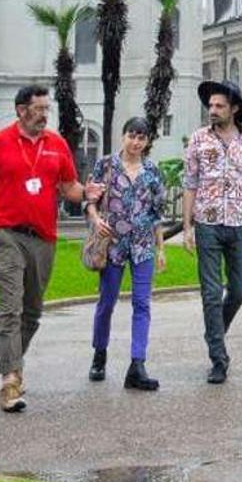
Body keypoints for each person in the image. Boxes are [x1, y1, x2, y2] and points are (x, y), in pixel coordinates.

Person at [0, 84, 100, 413]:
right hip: (6, 235)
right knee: (11, 307)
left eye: (47, 109)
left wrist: (87, 192)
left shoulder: (56, 144)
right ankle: (9, 381)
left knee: (32, 313)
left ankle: (13, 364)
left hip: (44, 238)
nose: (44, 115)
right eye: (39, 109)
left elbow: (68, 186)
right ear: (21, 110)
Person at [180, 80, 242, 384]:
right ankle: (218, 358)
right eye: (211, 105)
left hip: (238, 223)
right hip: (208, 224)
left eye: (219, 106)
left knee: (239, 291)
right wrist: (187, 227)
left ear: (234, 109)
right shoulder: (199, 139)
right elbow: (190, 183)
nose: (212, 110)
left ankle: (213, 332)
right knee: (212, 293)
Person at [84, 117, 167, 390]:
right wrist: (96, 219)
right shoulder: (106, 165)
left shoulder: (153, 171)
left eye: (141, 137)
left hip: (142, 245)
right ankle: (99, 354)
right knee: (107, 302)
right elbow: (90, 200)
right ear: (123, 136)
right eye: (132, 136)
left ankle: (137, 364)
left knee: (142, 304)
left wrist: (161, 249)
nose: (136, 142)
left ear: (147, 141)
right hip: (113, 244)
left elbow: (157, 213)